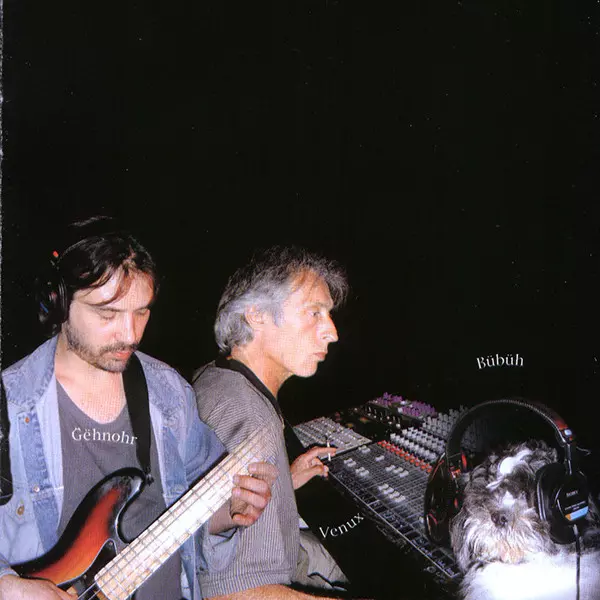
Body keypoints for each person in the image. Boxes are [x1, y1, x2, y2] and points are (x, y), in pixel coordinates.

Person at [0, 217, 276, 600]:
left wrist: (229, 512)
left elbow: (187, 513)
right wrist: (9, 587)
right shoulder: (10, 404)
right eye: (107, 314)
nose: (130, 335)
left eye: (142, 312)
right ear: (58, 303)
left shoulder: (169, 393)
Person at [193, 246, 353, 600]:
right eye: (314, 312)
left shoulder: (216, 376)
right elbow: (234, 595)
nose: (332, 332)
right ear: (256, 315)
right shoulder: (252, 418)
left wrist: (284, 482)